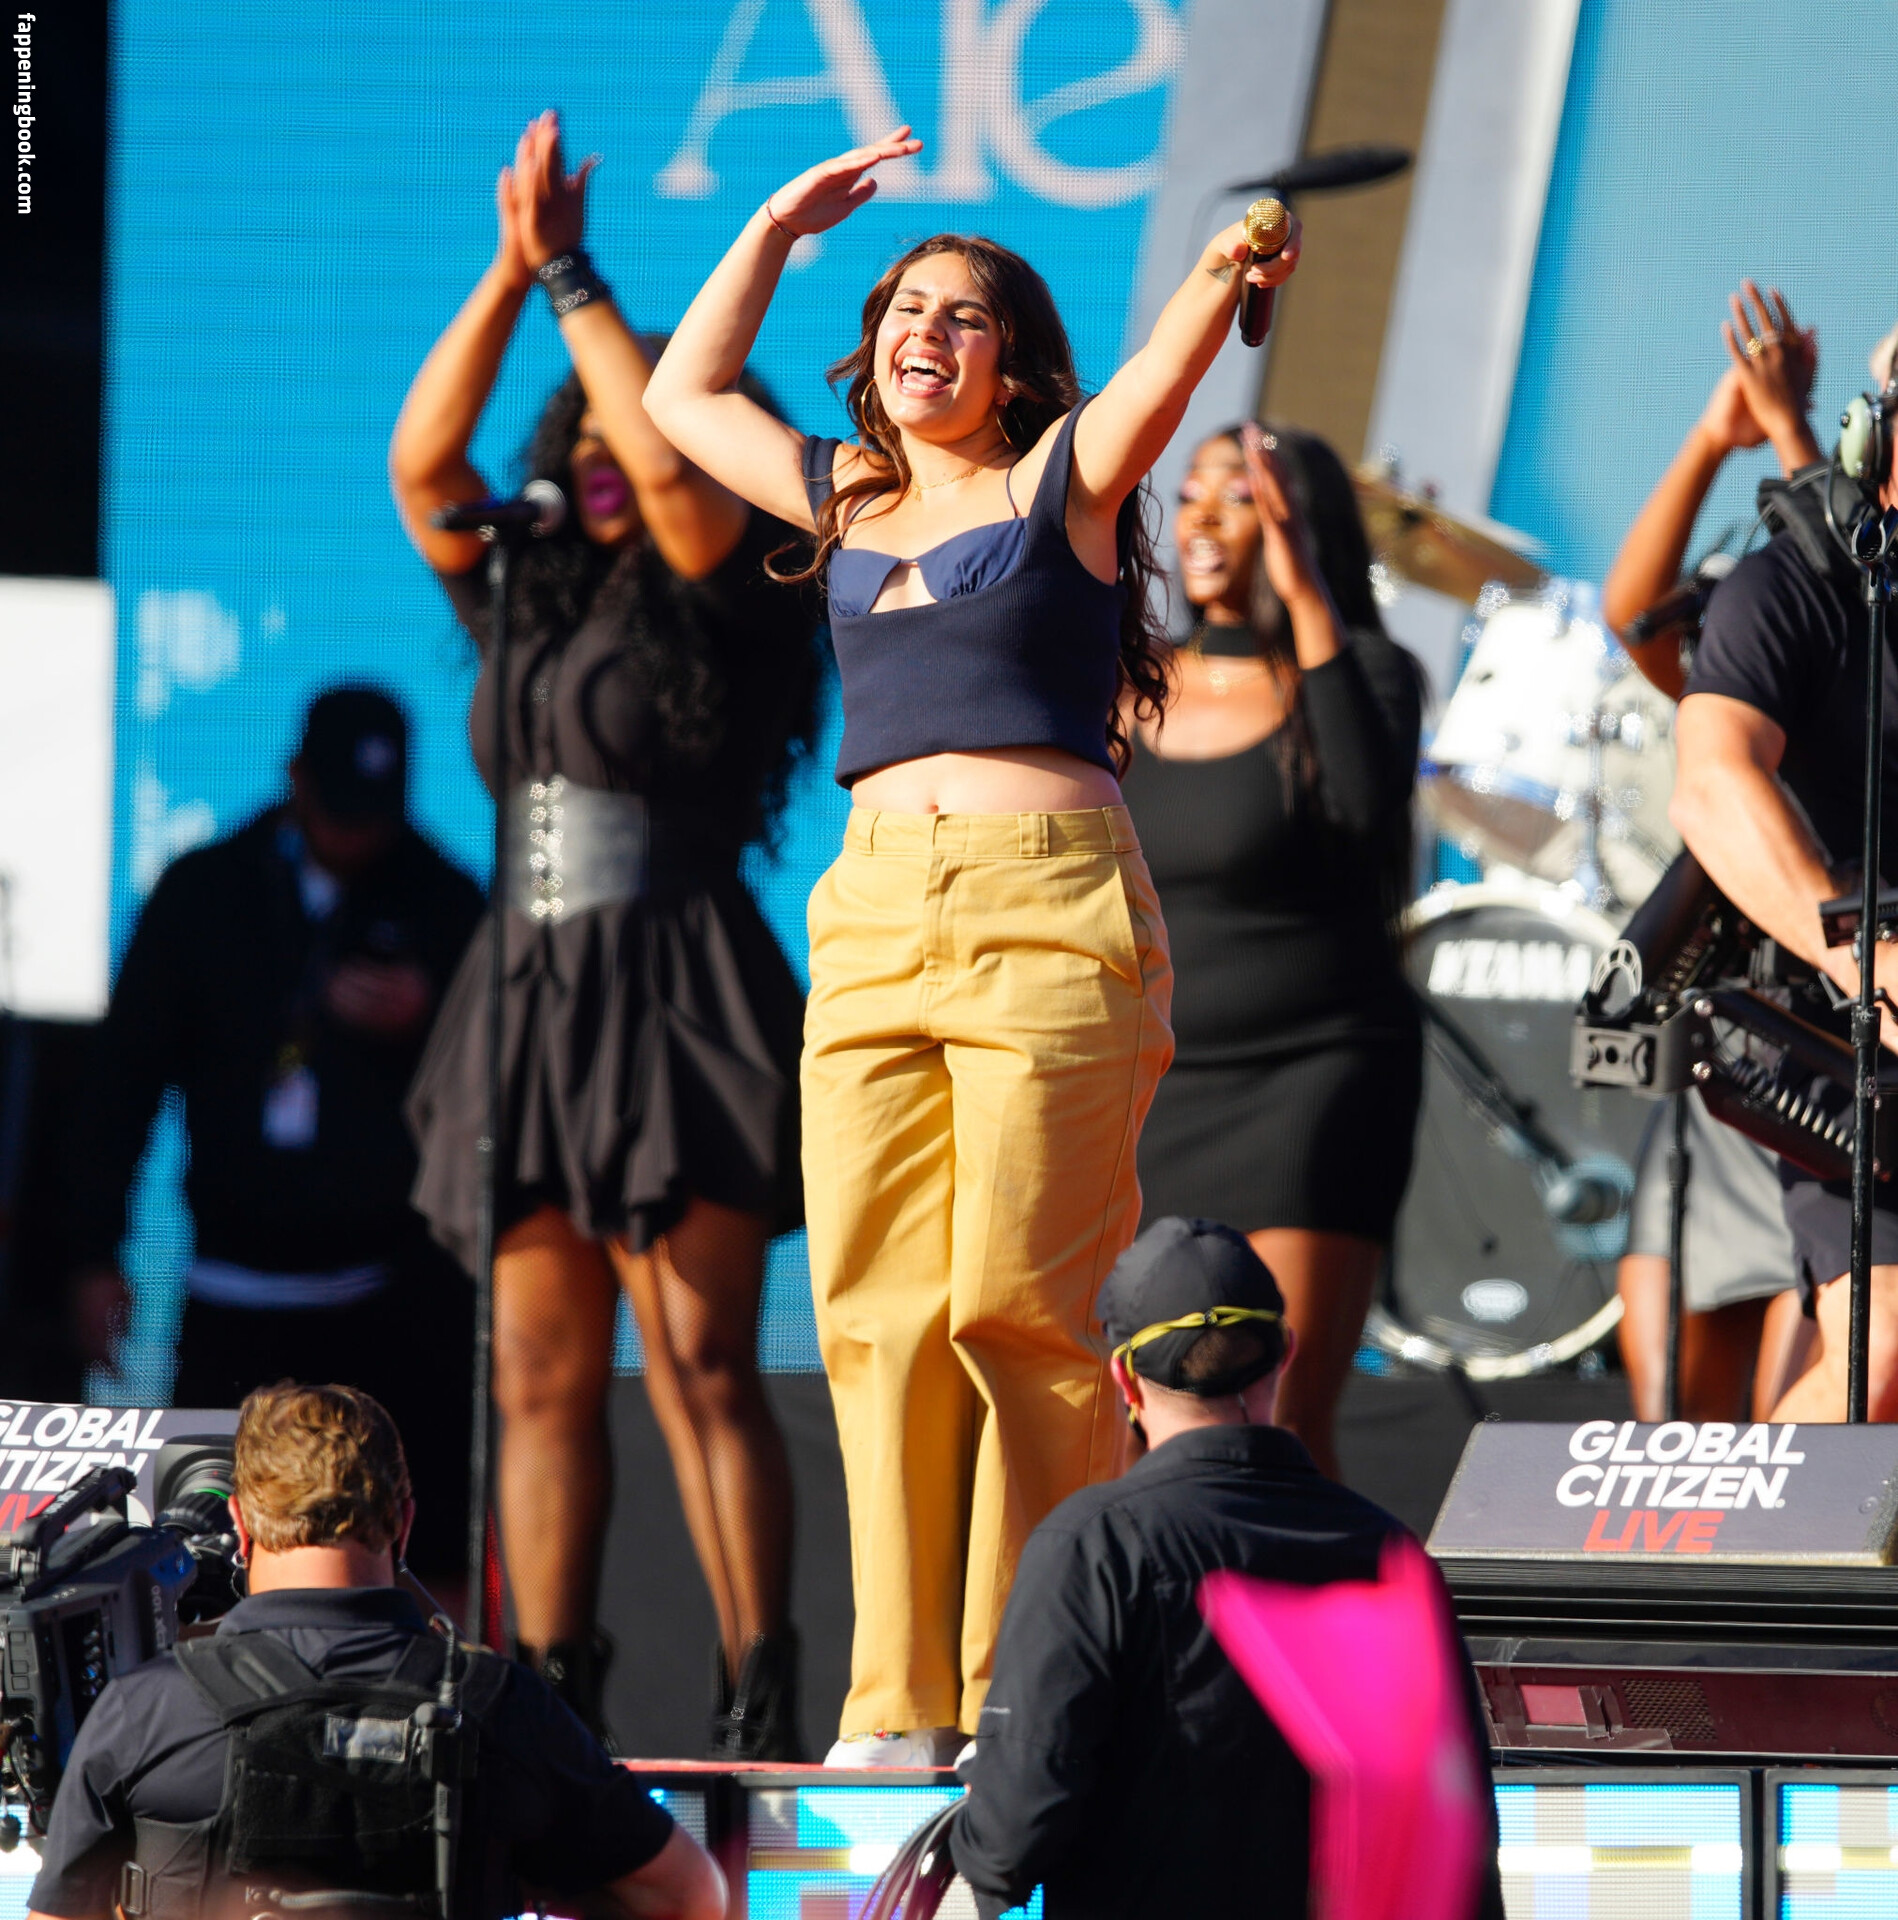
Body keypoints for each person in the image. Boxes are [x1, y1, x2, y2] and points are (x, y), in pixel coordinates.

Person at [643, 127, 1302, 1766]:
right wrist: (774, 224)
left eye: (961, 318)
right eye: (902, 312)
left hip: (1045, 912)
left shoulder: (1058, 480)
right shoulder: (847, 496)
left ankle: (1026, 1692)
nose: (921, 334)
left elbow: (1160, 373)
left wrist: (1223, 267)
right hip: (873, 914)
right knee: (873, 1313)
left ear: (1012, 370)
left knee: (1022, 1309)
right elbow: (681, 394)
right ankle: (893, 1704)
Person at [389, 112, 821, 1754]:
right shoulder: (528, 591)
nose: (593, 442)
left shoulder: (731, 568)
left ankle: (756, 1699)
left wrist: (581, 281)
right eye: (573, 421)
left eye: (615, 418)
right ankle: (548, 1710)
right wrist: (512, 275)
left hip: (673, 982)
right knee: (537, 1378)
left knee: (701, 1362)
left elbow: (676, 484)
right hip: (525, 987)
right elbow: (424, 470)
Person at [946, 1216, 1503, 1920]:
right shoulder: (1391, 1553)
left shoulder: (1093, 1543)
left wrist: (984, 1795)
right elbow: (1461, 1830)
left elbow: (1009, 1842)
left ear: (1125, 1377)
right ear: (1286, 1353)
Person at [67, 687, 482, 1598]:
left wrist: (434, 1020)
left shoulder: (446, 903)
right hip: (234, 1296)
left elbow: (503, 1086)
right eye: (338, 813)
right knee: (201, 1557)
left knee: (411, 1555)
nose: (354, 838)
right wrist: (94, 1252)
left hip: (388, 1298)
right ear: (296, 781)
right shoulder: (205, 893)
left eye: (372, 818)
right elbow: (121, 1084)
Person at [23, 1382, 723, 1920]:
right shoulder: (502, 1708)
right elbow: (692, 1895)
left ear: (239, 1523)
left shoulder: (146, 1713)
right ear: (404, 1522)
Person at [1119, 421, 1423, 1479]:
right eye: (1193, 490)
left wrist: (1305, 600)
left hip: (1310, 1076)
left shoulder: (1362, 674)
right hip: (1154, 1087)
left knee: (1275, 1418)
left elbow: (1365, 809)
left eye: (1239, 496)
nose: (1202, 514)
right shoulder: (1126, 683)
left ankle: (1322, 1602)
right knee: (1139, 1427)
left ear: (1301, 523)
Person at [1671, 312, 1898, 1421]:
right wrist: (1866, 961)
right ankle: (1719, 1543)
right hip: (1849, 1029)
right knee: (1883, 1349)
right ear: (1875, 435)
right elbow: (1711, 782)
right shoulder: (1796, 583)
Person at [1603, 282, 1820, 1419]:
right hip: (1730, 1042)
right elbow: (1634, 615)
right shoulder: (1758, 618)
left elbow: (1841, 561)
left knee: (1804, 1421)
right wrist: (1714, 431)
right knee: (1669, 1418)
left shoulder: (1847, 605)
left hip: (1831, 1058)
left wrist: (1790, 427)